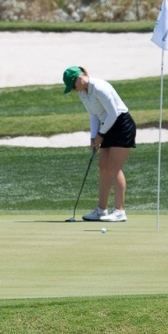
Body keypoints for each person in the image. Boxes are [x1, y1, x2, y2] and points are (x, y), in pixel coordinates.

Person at [63, 66, 137, 222]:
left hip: (122, 125)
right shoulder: (83, 94)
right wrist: (93, 137)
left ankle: (119, 211)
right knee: (103, 166)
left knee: (114, 167)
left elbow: (113, 113)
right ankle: (101, 210)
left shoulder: (100, 87)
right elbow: (93, 116)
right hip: (107, 126)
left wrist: (101, 135)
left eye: (73, 86)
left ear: (80, 79)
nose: (74, 90)